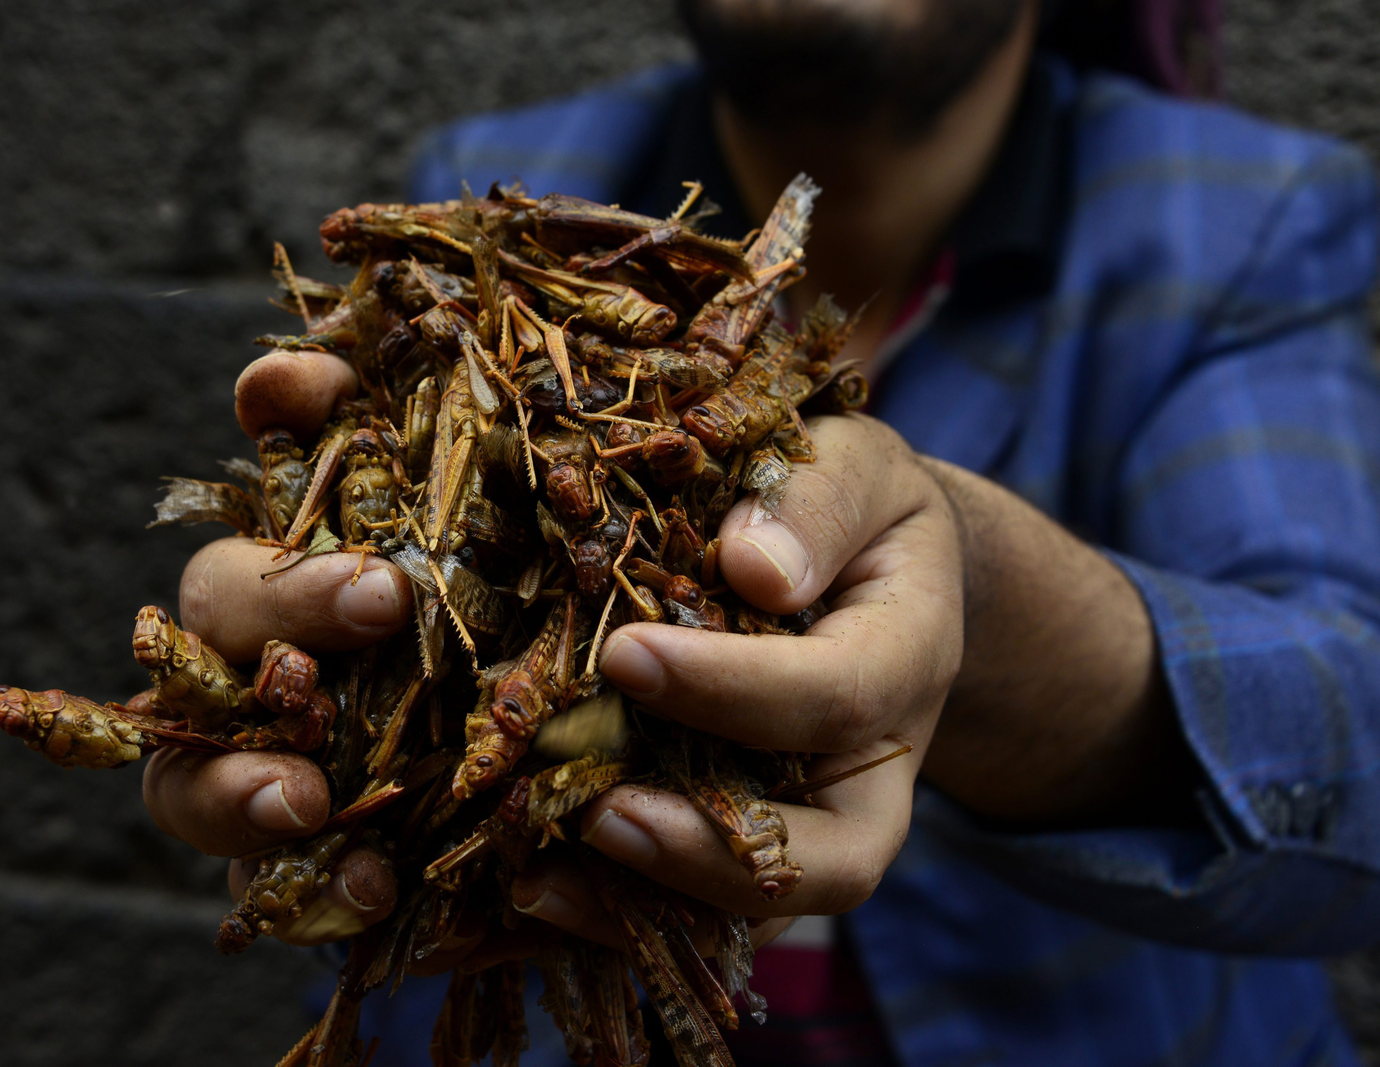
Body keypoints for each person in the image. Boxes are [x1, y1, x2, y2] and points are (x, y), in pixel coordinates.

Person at [141, 1, 1380, 1063]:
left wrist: (969, 590)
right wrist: (308, 711)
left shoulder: (1237, 219)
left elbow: (1348, 755)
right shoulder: (487, 189)